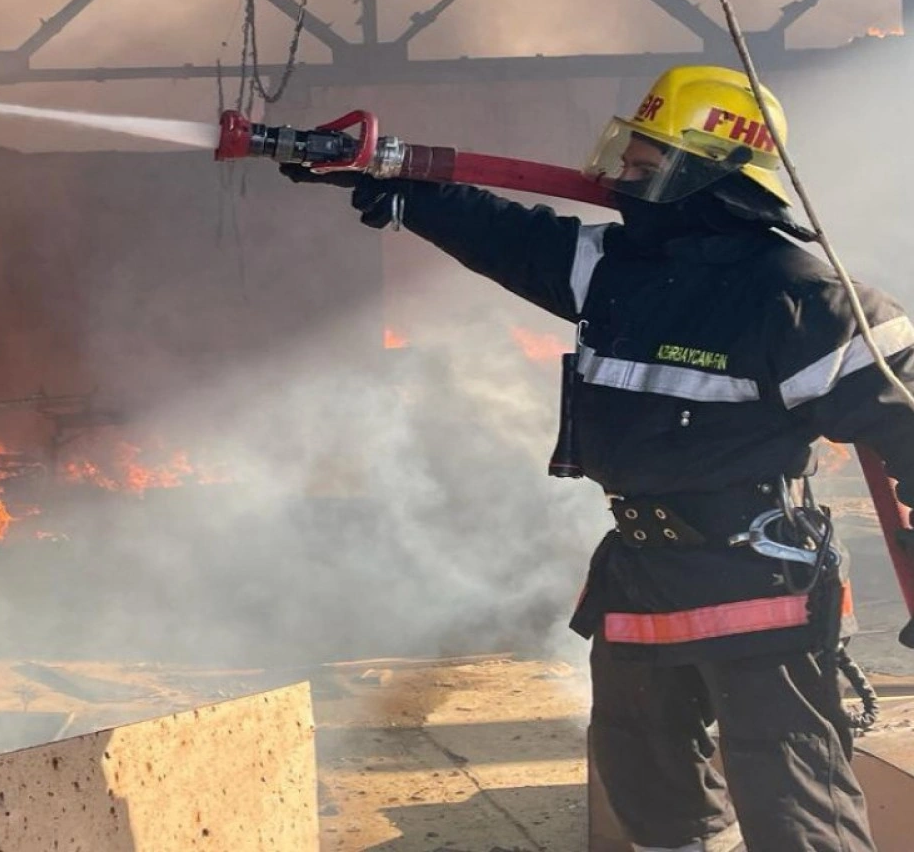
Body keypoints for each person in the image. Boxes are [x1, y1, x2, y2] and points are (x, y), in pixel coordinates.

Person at [283, 65, 914, 851]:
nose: (622, 179)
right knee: (645, 776)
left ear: (710, 172)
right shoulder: (615, 268)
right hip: (640, 568)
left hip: (757, 579)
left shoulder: (801, 299)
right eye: (628, 159)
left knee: (791, 796)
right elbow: (506, 234)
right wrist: (395, 186)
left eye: (646, 166)